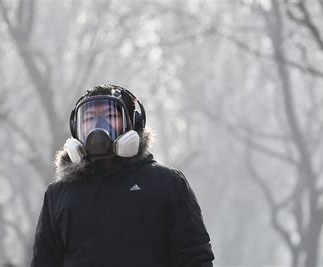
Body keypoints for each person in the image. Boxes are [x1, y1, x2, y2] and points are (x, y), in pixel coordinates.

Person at [31, 84, 214, 267]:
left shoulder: (168, 184)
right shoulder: (58, 196)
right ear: (76, 127)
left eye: (110, 116)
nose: (98, 125)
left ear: (133, 123)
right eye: (89, 118)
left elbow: (195, 258)